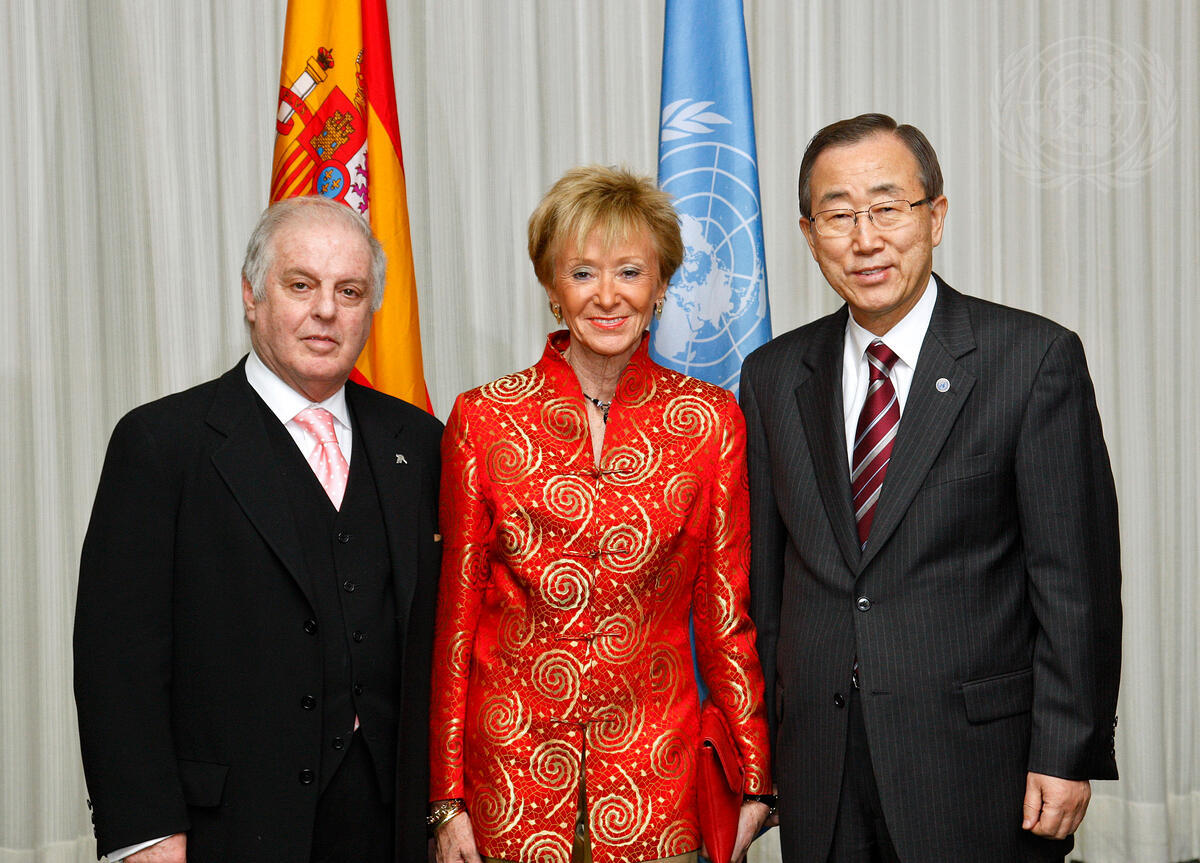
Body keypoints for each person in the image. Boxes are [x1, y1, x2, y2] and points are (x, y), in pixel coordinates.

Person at [740, 114, 1121, 863]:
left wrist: (1066, 748)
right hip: (820, 765)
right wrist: (766, 753)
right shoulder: (773, 376)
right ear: (809, 235)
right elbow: (769, 585)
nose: (866, 238)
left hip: (977, 765)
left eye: (888, 207)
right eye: (839, 215)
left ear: (936, 217)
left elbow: (1075, 582)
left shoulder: (1031, 359)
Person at [73, 196, 443, 863]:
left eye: (349, 291)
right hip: (227, 831)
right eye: (301, 285)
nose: (326, 310)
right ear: (252, 295)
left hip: (390, 831)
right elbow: (117, 663)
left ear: (371, 308)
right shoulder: (161, 444)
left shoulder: (419, 442)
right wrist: (145, 832)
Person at [428, 165, 773, 863]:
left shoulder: (710, 421)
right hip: (509, 784)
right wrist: (446, 800)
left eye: (630, 272)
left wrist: (757, 782)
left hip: (657, 782)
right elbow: (455, 622)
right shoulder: (482, 418)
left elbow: (725, 616)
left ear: (661, 285)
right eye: (583, 273)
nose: (608, 296)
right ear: (552, 288)